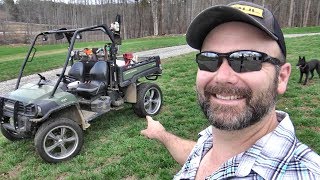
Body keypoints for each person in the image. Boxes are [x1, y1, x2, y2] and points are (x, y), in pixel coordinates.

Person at [140, 1, 320, 179]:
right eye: (209, 59)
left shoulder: (306, 173)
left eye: (246, 59)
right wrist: (161, 134)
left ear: (281, 77)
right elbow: (198, 157)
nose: (222, 77)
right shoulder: (212, 140)